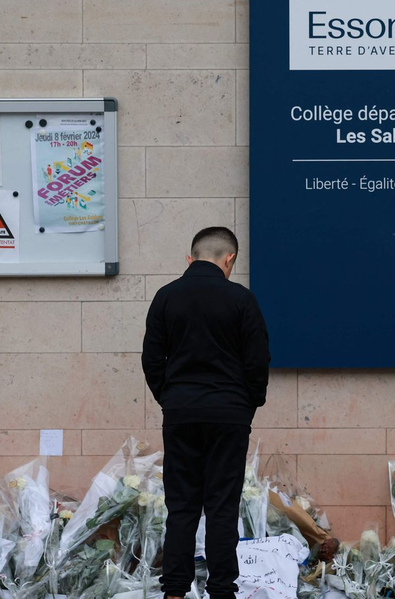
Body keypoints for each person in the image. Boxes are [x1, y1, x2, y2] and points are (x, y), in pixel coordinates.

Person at [142, 226, 271, 599]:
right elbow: (258, 360)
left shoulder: (165, 297)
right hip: (229, 415)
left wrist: (170, 397)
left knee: (181, 506)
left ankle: (175, 592)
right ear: (229, 259)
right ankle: (221, 591)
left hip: (181, 413)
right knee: (221, 506)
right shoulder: (242, 300)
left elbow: (152, 359)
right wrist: (248, 404)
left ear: (190, 258)